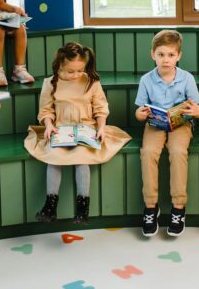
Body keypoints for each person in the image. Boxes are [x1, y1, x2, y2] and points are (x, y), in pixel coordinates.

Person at [24, 42, 131, 223]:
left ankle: (83, 207)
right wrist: (48, 125)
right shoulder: (50, 83)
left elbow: (100, 108)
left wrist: (102, 127)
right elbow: (46, 110)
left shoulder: (91, 82)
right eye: (70, 71)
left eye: (80, 70)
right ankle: (50, 205)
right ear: (59, 65)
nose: (75, 75)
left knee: (82, 158)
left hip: (86, 128)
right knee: (54, 157)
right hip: (60, 129)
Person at [135, 30, 199, 237]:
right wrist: (140, 114)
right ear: (153, 55)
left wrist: (196, 112)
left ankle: (178, 207)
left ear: (179, 56)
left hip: (180, 124)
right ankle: (150, 206)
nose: (166, 60)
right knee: (148, 152)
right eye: (161, 54)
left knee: (177, 152)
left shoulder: (186, 78)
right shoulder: (146, 80)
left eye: (171, 55)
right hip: (155, 124)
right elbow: (139, 113)